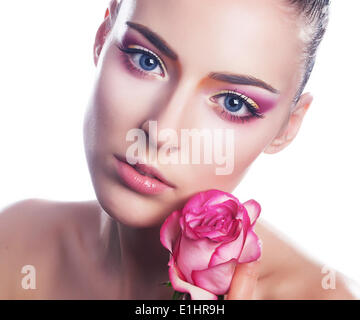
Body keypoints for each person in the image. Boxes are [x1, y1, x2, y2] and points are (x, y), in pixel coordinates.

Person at [0, 0, 357, 299]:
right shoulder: (15, 242)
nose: (161, 133)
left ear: (287, 127)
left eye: (233, 102)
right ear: (102, 37)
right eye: (146, 60)